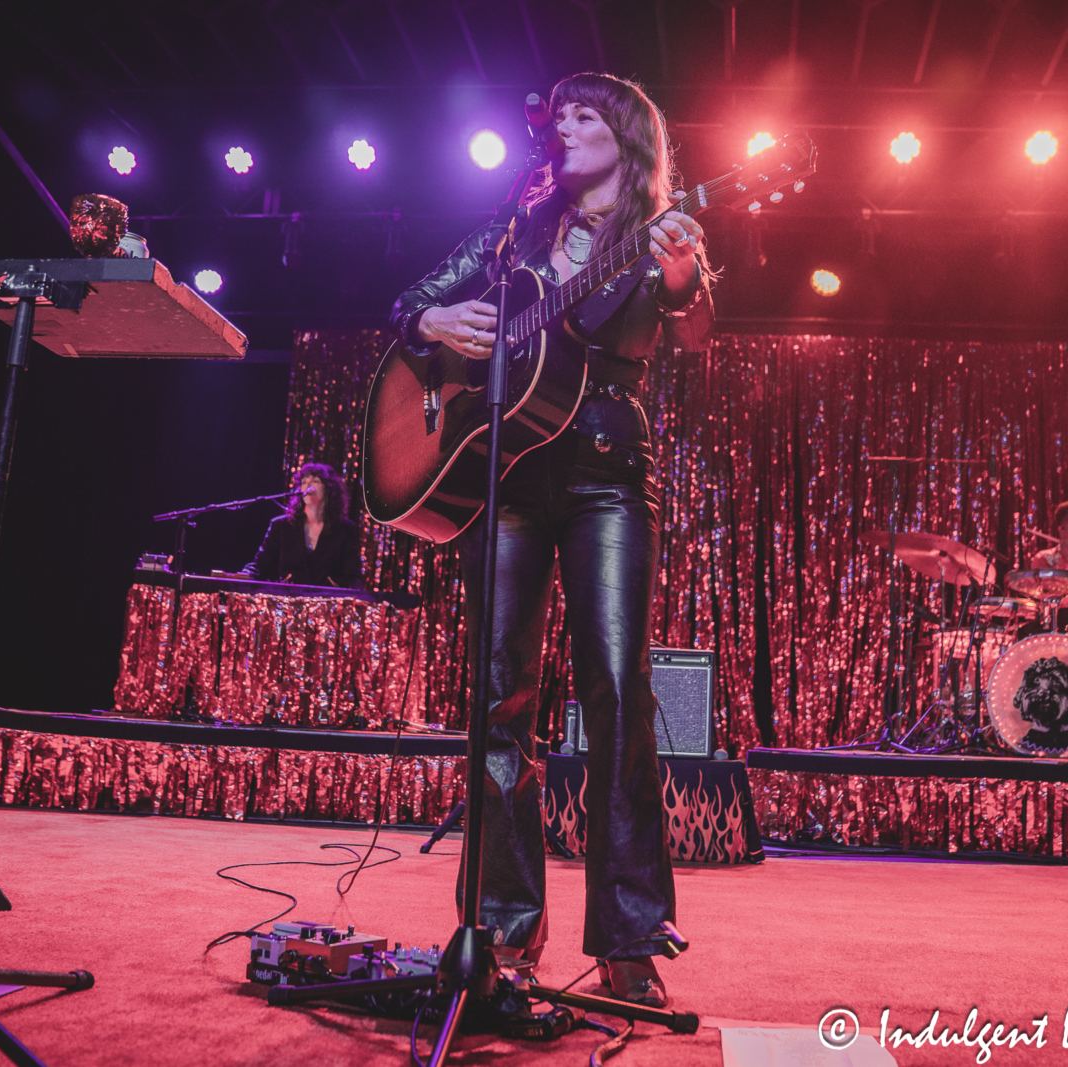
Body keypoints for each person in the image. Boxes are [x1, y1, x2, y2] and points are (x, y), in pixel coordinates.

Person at [388, 73, 713, 1008]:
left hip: (608, 476)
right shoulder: (517, 231)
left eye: (583, 115)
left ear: (628, 134)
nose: (563, 127)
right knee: (500, 703)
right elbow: (411, 298)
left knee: (616, 685)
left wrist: (685, 284)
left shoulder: (660, 238)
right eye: (558, 115)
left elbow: (694, 335)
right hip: (508, 477)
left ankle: (627, 935)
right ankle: (498, 931)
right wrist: (430, 320)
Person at [244, 462, 365, 589]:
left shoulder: (345, 529)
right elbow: (259, 566)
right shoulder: (281, 526)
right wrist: (244, 575)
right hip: (288, 599)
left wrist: (358, 598)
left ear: (328, 489)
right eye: (304, 482)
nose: (308, 485)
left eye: (315, 481)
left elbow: (353, 574)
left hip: (326, 602)